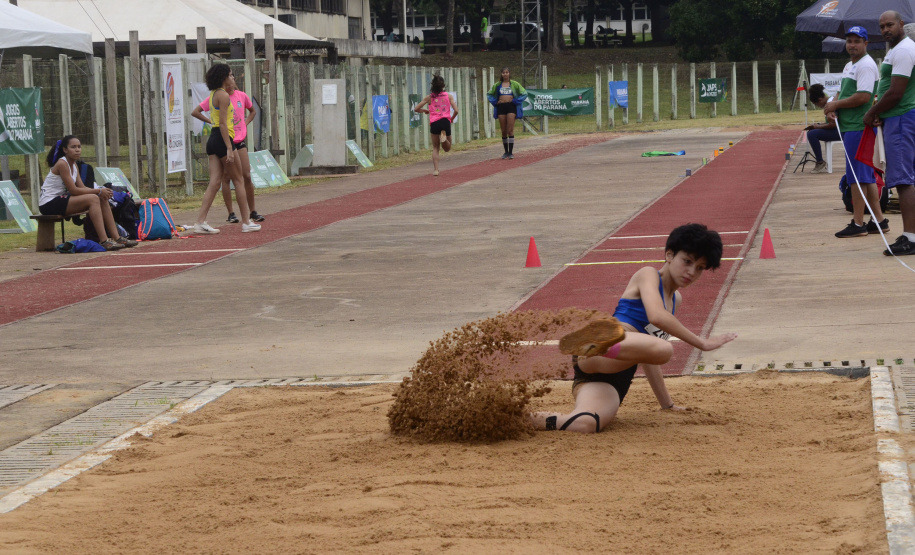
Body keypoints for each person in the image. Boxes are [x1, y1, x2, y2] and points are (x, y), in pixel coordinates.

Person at [529, 224, 738, 433]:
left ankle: (522, 419)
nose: (692, 272)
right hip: (603, 352)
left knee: (585, 423)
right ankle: (595, 343)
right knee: (664, 349)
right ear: (669, 255)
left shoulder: (676, 300)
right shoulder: (648, 275)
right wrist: (701, 342)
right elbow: (656, 316)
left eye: (700, 267)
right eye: (687, 261)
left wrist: (667, 404)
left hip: (610, 377)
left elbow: (649, 356)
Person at [824, 26, 888, 238]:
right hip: (851, 125)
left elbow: (863, 97)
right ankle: (880, 221)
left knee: (856, 177)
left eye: (857, 41)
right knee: (866, 176)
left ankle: (858, 223)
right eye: (849, 40)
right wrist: (834, 105)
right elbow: (844, 92)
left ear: (866, 43)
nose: (852, 44)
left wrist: (836, 105)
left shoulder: (866, 65)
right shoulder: (850, 65)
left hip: (859, 127)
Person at [864, 11, 915, 255]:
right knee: (905, 178)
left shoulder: (904, 50)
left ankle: (911, 237)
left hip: (901, 117)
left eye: (890, 25)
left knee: (903, 180)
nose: (885, 29)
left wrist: (872, 111)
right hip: (896, 117)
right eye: (882, 26)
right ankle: (909, 234)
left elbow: (895, 92)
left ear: (901, 25)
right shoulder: (896, 50)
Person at [38, 135, 136, 251]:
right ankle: (104, 241)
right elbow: (74, 190)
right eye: (73, 147)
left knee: (101, 198)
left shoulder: (74, 164)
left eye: (79, 147)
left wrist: (100, 193)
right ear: (65, 150)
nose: (77, 149)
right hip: (48, 203)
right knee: (94, 198)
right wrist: (99, 191)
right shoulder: (62, 164)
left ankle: (117, 238)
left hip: (59, 200)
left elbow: (82, 187)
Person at [194, 64, 260, 234]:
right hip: (223, 140)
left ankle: (200, 221)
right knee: (238, 180)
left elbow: (217, 122)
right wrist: (230, 148)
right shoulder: (223, 95)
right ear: (223, 77)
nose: (232, 78)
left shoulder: (213, 94)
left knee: (215, 182)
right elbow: (223, 123)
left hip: (213, 140)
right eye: (230, 75)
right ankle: (246, 221)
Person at [413, 75, 459, 177]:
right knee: (447, 148)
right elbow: (456, 110)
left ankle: (436, 170)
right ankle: (444, 139)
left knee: (435, 147)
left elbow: (416, 109)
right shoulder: (449, 96)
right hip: (445, 121)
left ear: (432, 85)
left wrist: (425, 110)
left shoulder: (429, 97)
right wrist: (451, 119)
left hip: (434, 123)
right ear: (443, 85)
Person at [487, 68, 527, 160]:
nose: (505, 74)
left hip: (511, 106)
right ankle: (505, 152)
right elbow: (489, 94)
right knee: (503, 130)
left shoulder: (514, 84)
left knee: (510, 130)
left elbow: (524, 93)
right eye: (503, 73)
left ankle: (511, 152)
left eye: (507, 72)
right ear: (501, 74)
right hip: (501, 107)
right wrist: (495, 102)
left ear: (509, 73)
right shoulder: (497, 85)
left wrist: (515, 101)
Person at [804, 84, 840, 174]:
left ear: (820, 100)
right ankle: (819, 161)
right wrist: (820, 125)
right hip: (839, 129)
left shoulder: (830, 105)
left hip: (840, 131)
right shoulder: (832, 100)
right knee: (813, 131)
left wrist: (818, 126)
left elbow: (833, 125)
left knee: (812, 134)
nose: (818, 106)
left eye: (816, 104)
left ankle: (820, 162)